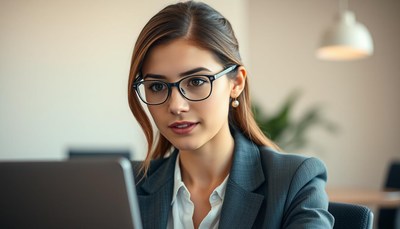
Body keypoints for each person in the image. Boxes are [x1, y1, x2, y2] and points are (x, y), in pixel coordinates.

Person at [128, 1, 334, 228]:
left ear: (236, 82)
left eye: (197, 81)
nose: (176, 106)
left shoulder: (294, 181)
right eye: (156, 86)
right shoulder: (126, 186)